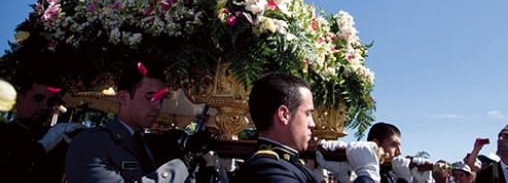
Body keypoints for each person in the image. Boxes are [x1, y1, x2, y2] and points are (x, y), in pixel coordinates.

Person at [65, 61, 223, 183]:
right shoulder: (91, 143)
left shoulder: (148, 145)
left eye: (161, 99)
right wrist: (183, 164)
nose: (157, 106)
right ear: (123, 98)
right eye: (150, 97)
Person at [231, 72, 382, 183]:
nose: (313, 124)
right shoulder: (267, 168)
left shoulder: (285, 164)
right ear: (284, 115)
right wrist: (367, 175)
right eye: (308, 114)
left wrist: (345, 175)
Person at [0, 76, 85, 182]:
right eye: (38, 99)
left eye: (51, 102)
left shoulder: (59, 139)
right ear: (20, 99)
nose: (45, 107)